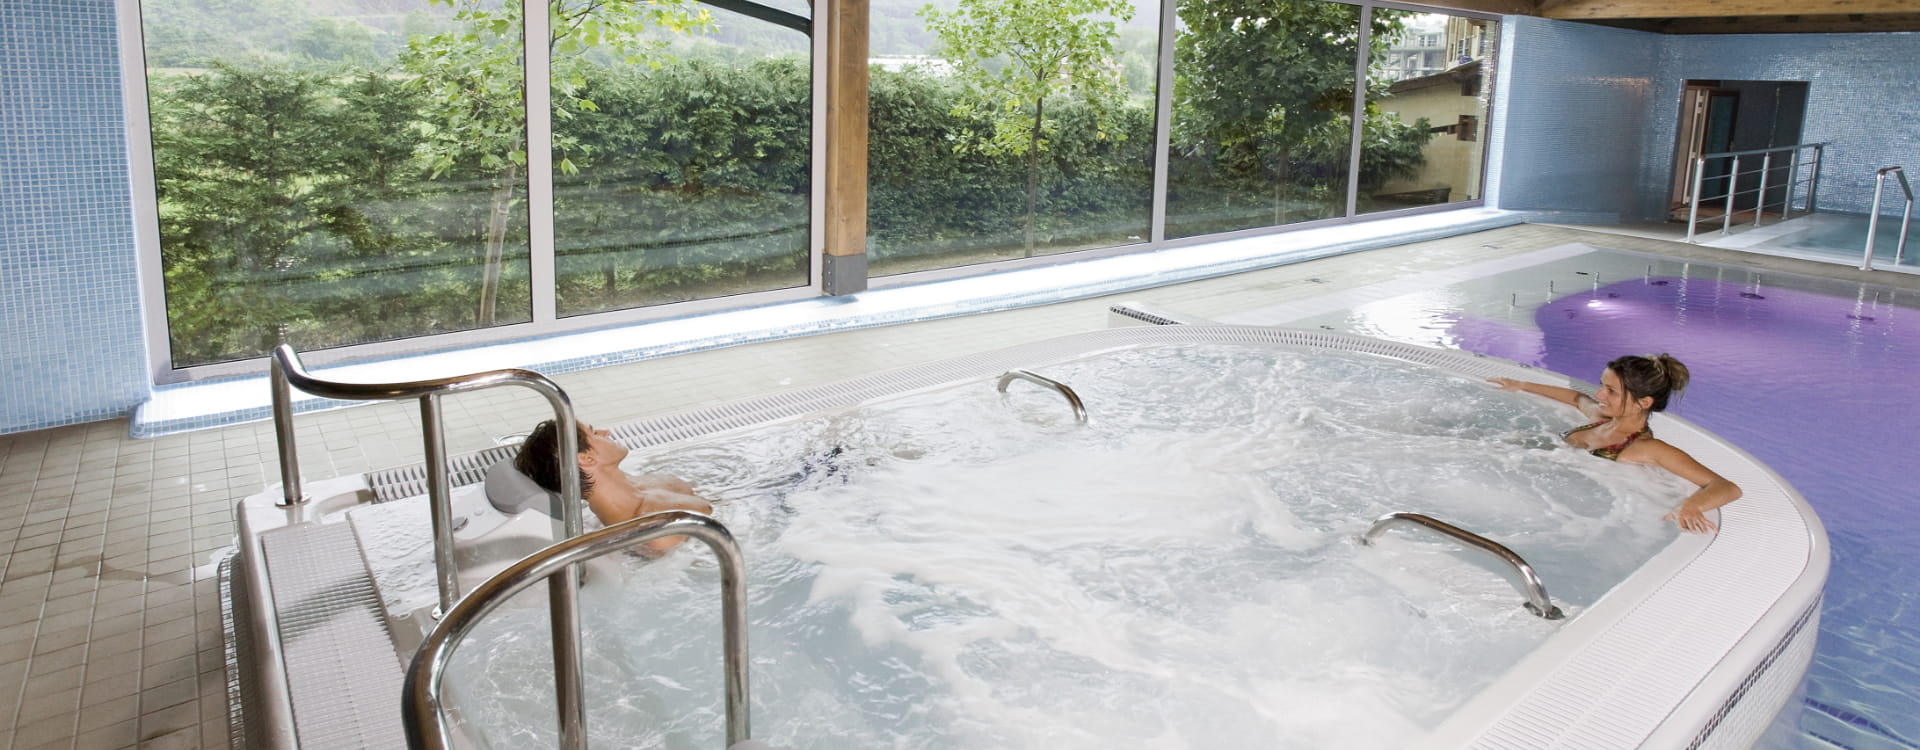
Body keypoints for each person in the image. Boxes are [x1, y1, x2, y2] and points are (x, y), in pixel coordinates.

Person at [1490, 354, 1740, 534]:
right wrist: (1521, 385)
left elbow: (1725, 486)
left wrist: (1692, 506)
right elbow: (1578, 399)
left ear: (1644, 402)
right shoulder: (1600, 419)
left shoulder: (1647, 448)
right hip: (1525, 469)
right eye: (1602, 385)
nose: (1600, 395)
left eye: (1611, 391)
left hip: (1562, 509)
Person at [514, 419, 712, 553]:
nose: (605, 432)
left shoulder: (633, 486)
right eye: (594, 433)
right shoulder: (656, 532)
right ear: (586, 458)